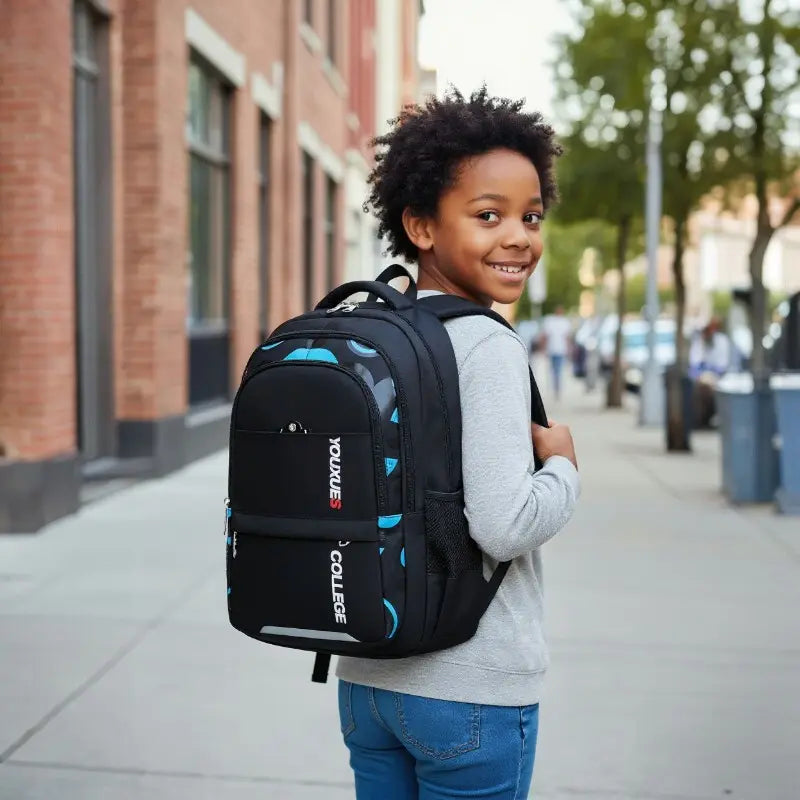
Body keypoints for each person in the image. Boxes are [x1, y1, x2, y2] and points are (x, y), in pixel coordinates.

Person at [335, 87, 581, 800]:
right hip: (470, 689)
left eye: (531, 217)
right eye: (488, 215)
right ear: (420, 225)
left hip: (369, 681)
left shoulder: (378, 333)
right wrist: (562, 465)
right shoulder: (485, 347)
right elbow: (503, 525)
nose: (519, 237)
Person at [689, 317, 732, 428]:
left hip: (718, 376)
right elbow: (695, 364)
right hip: (702, 377)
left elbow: (722, 365)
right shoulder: (699, 342)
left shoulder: (722, 341)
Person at [541, 306, 572, 399]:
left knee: (556, 370)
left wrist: (568, 348)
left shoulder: (562, 322)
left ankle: (557, 389)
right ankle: (556, 389)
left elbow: (567, 337)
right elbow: (546, 337)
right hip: (554, 349)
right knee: (555, 371)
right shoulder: (552, 321)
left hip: (559, 350)